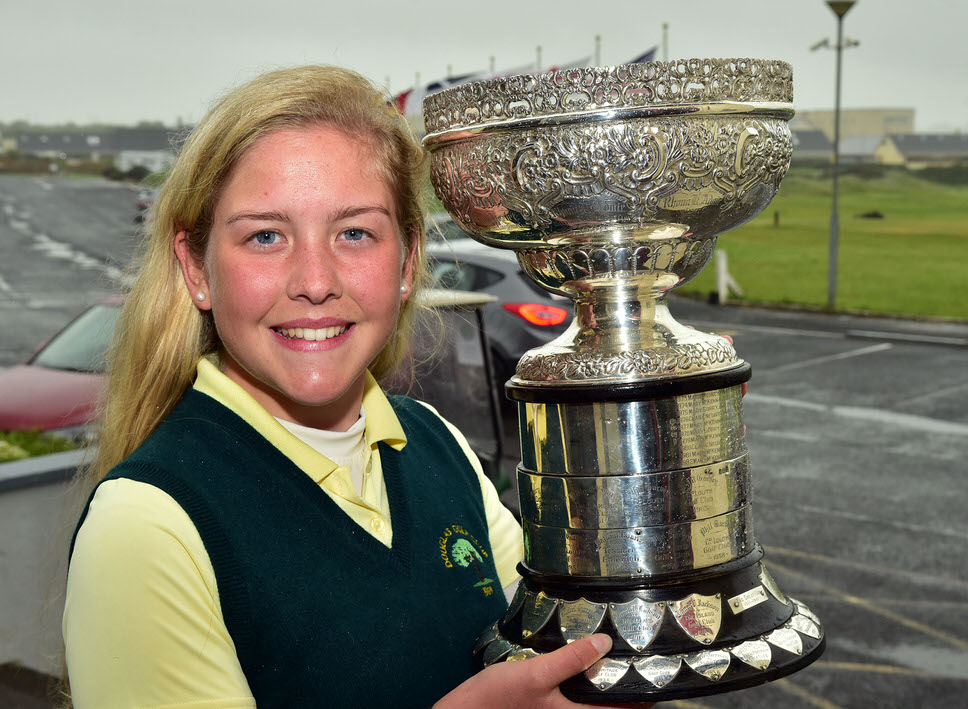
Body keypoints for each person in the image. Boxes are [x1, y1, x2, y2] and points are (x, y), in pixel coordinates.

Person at [63, 65, 652, 709]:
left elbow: (568, 645)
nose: (315, 280)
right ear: (195, 269)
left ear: (406, 263)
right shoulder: (148, 524)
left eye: (353, 233)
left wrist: (653, 447)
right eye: (265, 236)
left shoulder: (436, 443)